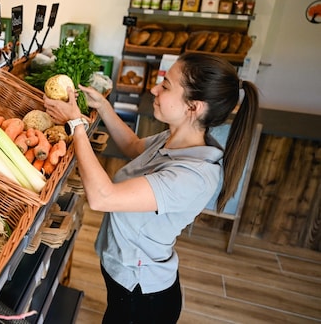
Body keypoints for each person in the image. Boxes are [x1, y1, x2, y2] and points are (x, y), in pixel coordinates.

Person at [43, 52, 259, 324]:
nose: (154, 89)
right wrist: (103, 106)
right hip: (128, 280)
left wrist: (76, 123)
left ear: (194, 107)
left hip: (142, 297)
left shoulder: (194, 175)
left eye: (166, 86)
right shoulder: (174, 138)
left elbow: (101, 197)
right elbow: (133, 146)